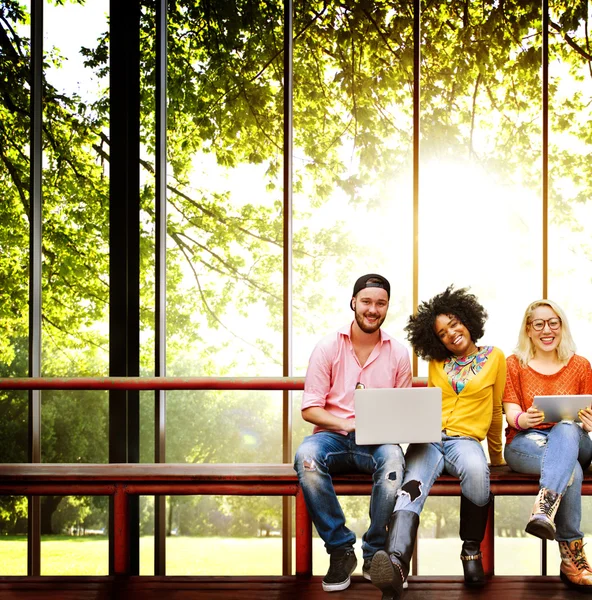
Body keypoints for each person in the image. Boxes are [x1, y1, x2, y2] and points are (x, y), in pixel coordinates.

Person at [370, 286, 506, 599]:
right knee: (411, 486)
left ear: (468, 321)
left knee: (476, 470)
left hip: (465, 440)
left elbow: (497, 410)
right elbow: (429, 405)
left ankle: (471, 552)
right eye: (442, 333)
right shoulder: (436, 364)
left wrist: (496, 457)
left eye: (454, 324)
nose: (451, 334)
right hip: (429, 439)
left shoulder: (495, 357)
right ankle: (395, 564)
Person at [294, 274, 412, 593]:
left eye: (380, 303)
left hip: (375, 443)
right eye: (366, 302)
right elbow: (310, 409)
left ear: (387, 307)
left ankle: (374, 552)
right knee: (305, 457)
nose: (373, 309)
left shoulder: (399, 354)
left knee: (393, 460)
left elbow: (402, 412)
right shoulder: (328, 347)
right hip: (331, 437)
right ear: (353, 303)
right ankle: (340, 549)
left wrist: (390, 427)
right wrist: (346, 424)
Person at [503, 299, 592, 591]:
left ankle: (544, 508)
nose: (547, 329)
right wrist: (524, 420)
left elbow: (588, 413)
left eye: (553, 322)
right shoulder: (514, 364)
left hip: (576, 440)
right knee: (572, 472)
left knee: (566, 427)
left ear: (561, 326)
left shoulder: (580, 366)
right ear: (528, 330)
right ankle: (572, 559)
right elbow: (511, 411)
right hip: (526, 443)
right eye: (538, 323)